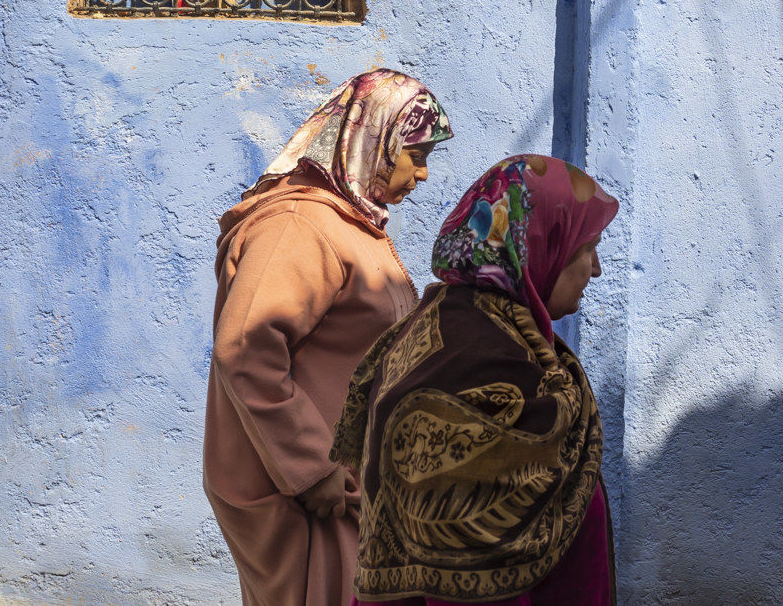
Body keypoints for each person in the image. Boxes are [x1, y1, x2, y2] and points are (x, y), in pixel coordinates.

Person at [204, 69, 454, 606]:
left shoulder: (349, 225)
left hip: (346, 484)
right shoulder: (299, 226)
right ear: (377, 143)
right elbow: (245, 349)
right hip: (309, 495)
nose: (425, 174)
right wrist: (310, 469)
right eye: (417, 154)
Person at [332, 154, 620, 605]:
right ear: (543, 244)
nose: (596, 269)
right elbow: (470, 570)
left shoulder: (470, 333)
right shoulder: (478, 362)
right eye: (587, 248)